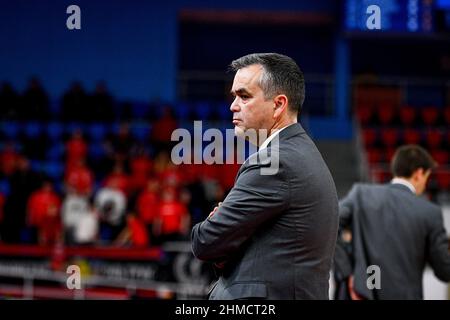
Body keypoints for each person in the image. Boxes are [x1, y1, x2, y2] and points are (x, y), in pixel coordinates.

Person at [191, 53, 339, 300]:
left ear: (279, 104)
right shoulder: (298, 153)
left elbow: (205, 241)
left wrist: (217, 226)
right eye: (234, 96)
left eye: (244, 96)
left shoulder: (275, 162)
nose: (233, 105)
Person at [334, 145, 450, 300]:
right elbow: (445, 271)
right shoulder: (430, 212)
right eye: (427, 177)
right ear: (419, 173)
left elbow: (329, 223)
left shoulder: (361, 195)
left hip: (365, 291)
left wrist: (347, 271)